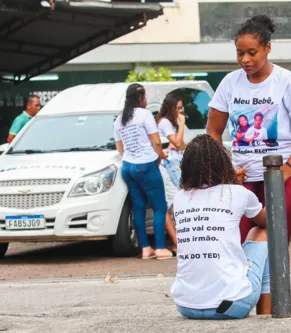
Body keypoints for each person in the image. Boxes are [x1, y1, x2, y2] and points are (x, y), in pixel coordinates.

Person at [205, 15, 291, 243]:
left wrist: (288, 168)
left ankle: (270, 280)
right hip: (243, 178)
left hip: (286, 177)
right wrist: (227, 170)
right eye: (240, 53)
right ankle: (250, 280)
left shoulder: (286, 81)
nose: (245, 60)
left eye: (252, 52)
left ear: (268, 48)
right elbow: (213, 131)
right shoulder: (230, 83)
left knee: (273, 239)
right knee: (237, 242)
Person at [171, 134, 271, 319]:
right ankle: (266, 314)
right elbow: (267, 222)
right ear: (223, 163)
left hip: (185, 305)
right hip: (233, 304)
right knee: (261, 232)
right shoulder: (238, 193)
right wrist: (234, 184)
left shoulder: (180, 197)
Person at [113, 83, 173, 260]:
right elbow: (155, 141)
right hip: (146, 165)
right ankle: (161, 248)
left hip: (128, 167)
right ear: (140, 97)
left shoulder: (119, 119)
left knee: (138, 207)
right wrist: (161, 154)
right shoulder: (144, 114)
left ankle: (145, 248)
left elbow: (119, 147)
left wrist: (131, 156)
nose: (146, 100)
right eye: (145, 97)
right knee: (159, 207)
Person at [157, 94, 186, 188]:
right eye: (178, 108)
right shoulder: (165, 122)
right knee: (181, 188)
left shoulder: (171, 122)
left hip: (176, 160)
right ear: (170, 108)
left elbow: (181, 146)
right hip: (170, 161)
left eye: (181, 108)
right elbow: (178, 144)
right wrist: (182, 123)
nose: (180, 111)